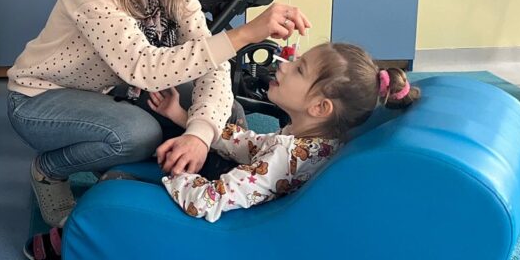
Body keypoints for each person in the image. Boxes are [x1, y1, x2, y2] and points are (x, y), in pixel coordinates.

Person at [7, 0, 310, 240]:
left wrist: (198, 134)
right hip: (38, 98)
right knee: (137, 134)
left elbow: (210, 61)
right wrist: (244, 34)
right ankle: (49, 169)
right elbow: (145, 68)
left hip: (108, 88)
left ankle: (155, 181)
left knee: (226, 115)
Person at [153, 42, 420, 222]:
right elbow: (252, 144)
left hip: (240, 231)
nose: (284, 64)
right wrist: (183, 118)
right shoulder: (320, 142)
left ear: (319, 107)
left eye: (299, 69)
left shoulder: (285, 155)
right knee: (232, 114)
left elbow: (206, 202)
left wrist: (178, 172)